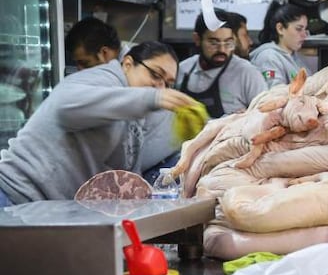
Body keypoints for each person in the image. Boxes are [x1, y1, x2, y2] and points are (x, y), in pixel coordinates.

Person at [0, 41, 199, 206]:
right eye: (155, 74)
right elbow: (66, 107)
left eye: (168, 83)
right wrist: (153, 98)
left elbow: (124, 172)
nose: (161, 87)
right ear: (128, 64)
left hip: (42, 209)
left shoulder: (135, 114)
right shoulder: (103, 78)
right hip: (13, 194)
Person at [177, 10, 268, 117]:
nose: (222, 50)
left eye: (228, 43)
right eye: (214, 43)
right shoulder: (183, 69)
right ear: (197, 39)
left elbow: (265, 115)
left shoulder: (247, 73)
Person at [250, 2, 308, 87]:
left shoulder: (295, 57)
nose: (304, 35)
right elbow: (275, 92)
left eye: (305, 29)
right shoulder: (268, 58)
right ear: (280, 28)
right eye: (298, 29)